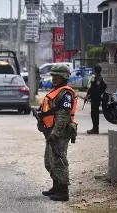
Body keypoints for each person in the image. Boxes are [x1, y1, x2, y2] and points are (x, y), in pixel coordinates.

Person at [38, 64, 78, 202]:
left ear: (64, 77)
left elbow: (63, 116)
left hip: (59, 132)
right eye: (53, 75)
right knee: (49, 161)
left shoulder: (65, 94)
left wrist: (55, 132)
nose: (54, 78)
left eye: (57, 75)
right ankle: (56, 187)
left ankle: (63, 191)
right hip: (51, 131)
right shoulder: (56, 91)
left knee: (59, 161)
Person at [85, 65, 107, 134]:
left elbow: (93, 89)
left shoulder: (97, 79)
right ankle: (95, 128)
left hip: (95, 99)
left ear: (95, 71)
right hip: (95, 98)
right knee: (94, 114)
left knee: (94, 114)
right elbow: (103, 87)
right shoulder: (98, 78)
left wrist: (89, 95)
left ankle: (95, 129)